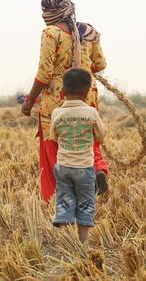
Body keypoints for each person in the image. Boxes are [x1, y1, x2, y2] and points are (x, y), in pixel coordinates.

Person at [21, 0, 109, 203]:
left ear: (49, 13)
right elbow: (100, 64)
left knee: (55, 147)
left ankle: (58, 200)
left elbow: (44, 73)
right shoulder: (88, 31)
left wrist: (29, 101)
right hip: (87, 97)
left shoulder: (51, 33)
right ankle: (98, 170)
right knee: (88, 141)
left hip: (58, 100)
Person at [50, 68, 105, 243]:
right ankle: (82, 242)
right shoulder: (91, 112)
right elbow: (101, 135)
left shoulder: (57, 113)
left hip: (63, 166)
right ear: (87, 92)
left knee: (65, 200)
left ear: (63, 92)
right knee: (85, 203)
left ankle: (66, 240)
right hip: (84, 168)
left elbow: (53, 136)